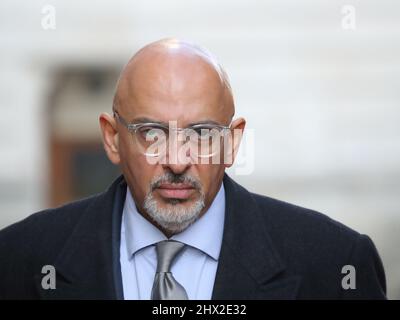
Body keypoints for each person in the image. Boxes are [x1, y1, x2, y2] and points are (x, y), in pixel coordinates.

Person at [0, 38, 386, 299]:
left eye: (201, 133)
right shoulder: (18, 259)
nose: (178, 160)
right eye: (151, 133)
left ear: (231, 142)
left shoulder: (335, 264)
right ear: (112, 139)